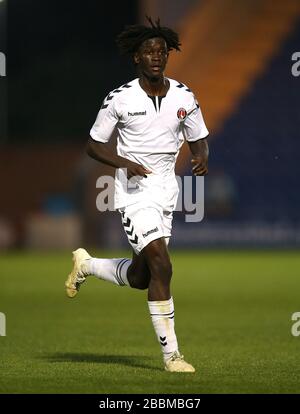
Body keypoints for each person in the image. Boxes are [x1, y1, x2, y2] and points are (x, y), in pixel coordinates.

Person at [65, 17, 209, 373]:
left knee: (142, 276)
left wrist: (201, 155)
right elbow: (93, 145)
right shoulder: (120, 98)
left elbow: (198, 137)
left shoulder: (183, 95)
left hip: (165, 191)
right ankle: (172, 356)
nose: (156, 56)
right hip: (133, 192)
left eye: (161, 51)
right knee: (162, 263)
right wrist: (123, 162)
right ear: (137, 58)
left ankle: (87, 265)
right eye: (149, 51)